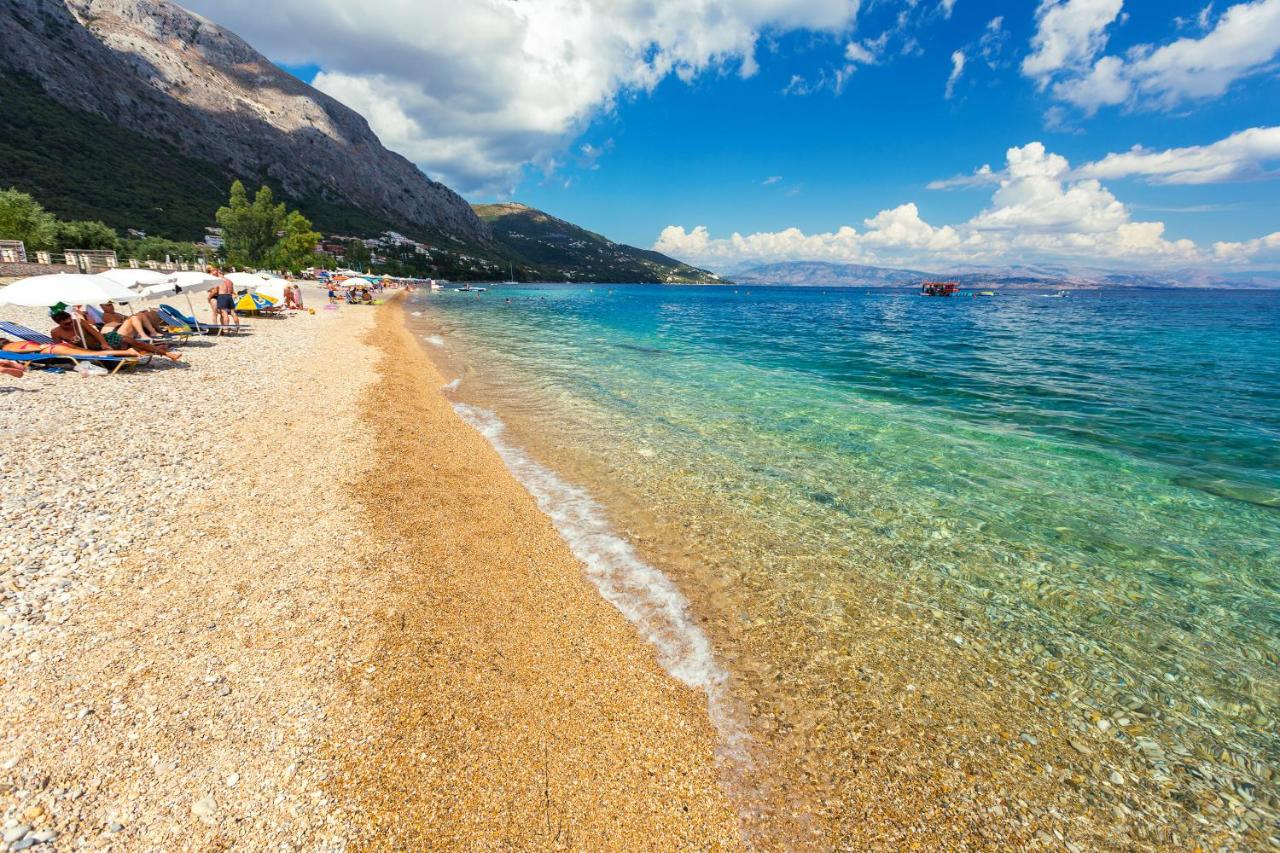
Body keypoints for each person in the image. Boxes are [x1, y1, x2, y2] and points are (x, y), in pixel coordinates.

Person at [49, 311, 182, 363]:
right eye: (65, 324)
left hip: (104, 340)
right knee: (129, 347)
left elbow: (96, 333)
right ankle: (155, 349)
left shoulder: (79, 322)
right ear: (58, 323)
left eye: (69, 321)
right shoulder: (56, 332)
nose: (69, 325)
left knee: (131, 341)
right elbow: (60, 347)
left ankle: (167, 354)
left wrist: (104, 343)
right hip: (89, 350)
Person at [3, 336, 141, 360]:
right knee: (93, 353)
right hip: (57, 346)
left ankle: (127, 351)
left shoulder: (7, 348)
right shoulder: (16, 341)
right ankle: (124, 353)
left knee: (95, 354)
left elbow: (19, 351)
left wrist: (39, 349)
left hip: (52, 350)